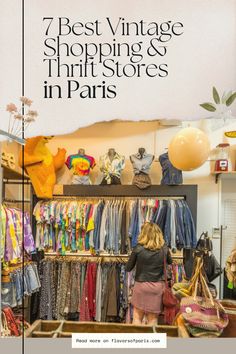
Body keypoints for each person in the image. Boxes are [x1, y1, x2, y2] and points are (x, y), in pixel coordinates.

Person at [125, 221, 172, 325]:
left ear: (143, 234)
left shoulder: (138, 248)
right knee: (153, 319)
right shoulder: (164, 249)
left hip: (141, 286)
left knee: (137, 316)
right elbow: (170, 262)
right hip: (157, 287)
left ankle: (136, 340)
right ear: (158, 233)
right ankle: (151, 341)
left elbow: (128, 268)